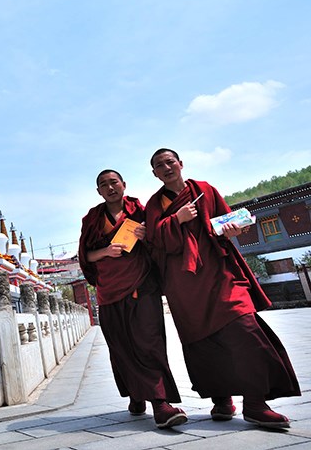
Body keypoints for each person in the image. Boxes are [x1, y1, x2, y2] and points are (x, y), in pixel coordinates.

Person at [145, 148, 300, 429]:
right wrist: (176, 219)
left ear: (180, 164)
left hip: (219, 272)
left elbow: (226, 222)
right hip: (183, 283)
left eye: (170, 162)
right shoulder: (154, 205)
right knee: (202, 341)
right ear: (154, 173)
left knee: (246, 330)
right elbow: (154, 243)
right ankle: (222, 398)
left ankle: (255, 403)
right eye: (159, 165)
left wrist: (232, 230)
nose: (166, 167)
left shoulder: (205, 189)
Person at [79, 169, 186, 429]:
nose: (110, 187)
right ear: (98, 191)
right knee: (121, 346)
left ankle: (160, 403)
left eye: (114, 182)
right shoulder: (92, 218)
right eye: (103, 184)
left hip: (142, 286)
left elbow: (159, 240)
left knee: (150, 343)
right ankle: (136, 394)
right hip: (109, 291)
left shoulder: (141, 210)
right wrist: (106, 251)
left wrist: (147, 234)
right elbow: (86, 256)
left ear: (124, 184)